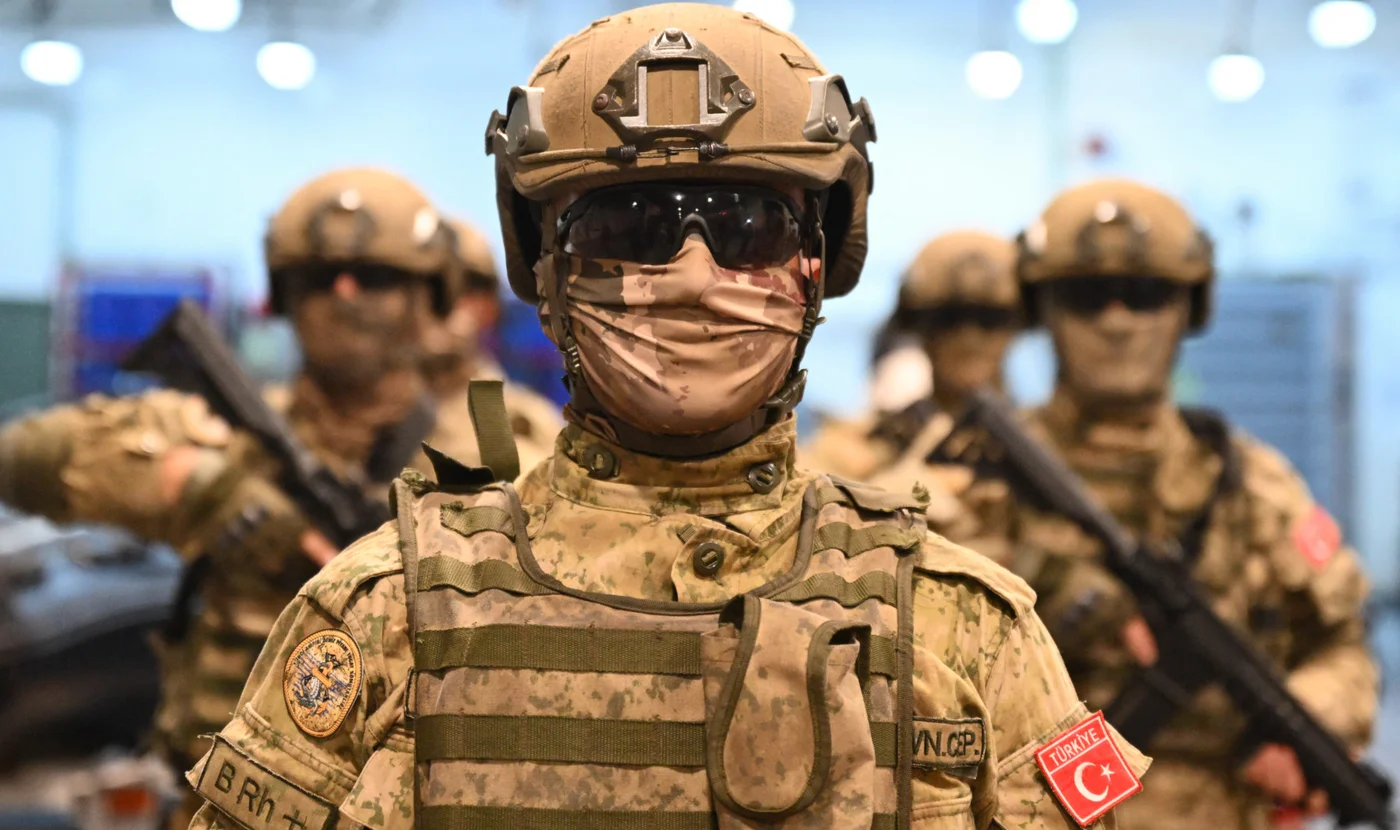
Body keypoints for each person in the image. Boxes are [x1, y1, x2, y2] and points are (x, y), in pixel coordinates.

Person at [178, 8, 1147, 830]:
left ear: (815, 264)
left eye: (748, 229)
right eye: (628, 229)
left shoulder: (969, 629)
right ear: (547, 268)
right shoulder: (383, 610)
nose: (690, 276)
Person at [0, 167, 555, 827]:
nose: (345, 293)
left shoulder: (502, 456)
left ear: (430, 295)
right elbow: (22, 457)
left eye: (376, 276)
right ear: (282, 294)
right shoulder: (225, 439)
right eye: (317, 276)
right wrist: (200, 487)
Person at [945, 178, 1377, 830]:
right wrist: (1056, 585)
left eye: (1146, 294)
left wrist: (1301, 725)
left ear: (1188, 309)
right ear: (1042, 309)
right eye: (1087, 296)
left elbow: (1343, 645)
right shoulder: (970, 482)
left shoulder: (1251, 486)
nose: (1117, 321)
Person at [803, 230, 1022, 482]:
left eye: (991, 319)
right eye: (947, 318)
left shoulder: (1038, 441)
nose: (969, 339)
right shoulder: (855, 452)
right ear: (916, 324)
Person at [418, 217, 562, 472]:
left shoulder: (525, 425)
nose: (445, 302)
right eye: (431, 285)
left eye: (466, 285)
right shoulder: (360, 412)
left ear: (489, 305)